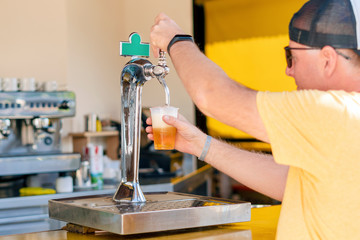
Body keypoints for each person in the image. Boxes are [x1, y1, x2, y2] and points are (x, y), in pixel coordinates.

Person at [147, 0, 360, 239]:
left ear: (327, 60)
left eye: (291, 56)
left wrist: (176, 39)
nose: (288, 71)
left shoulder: (335, 113)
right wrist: (200, 144)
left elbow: (212, 96)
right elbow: (291, 182)